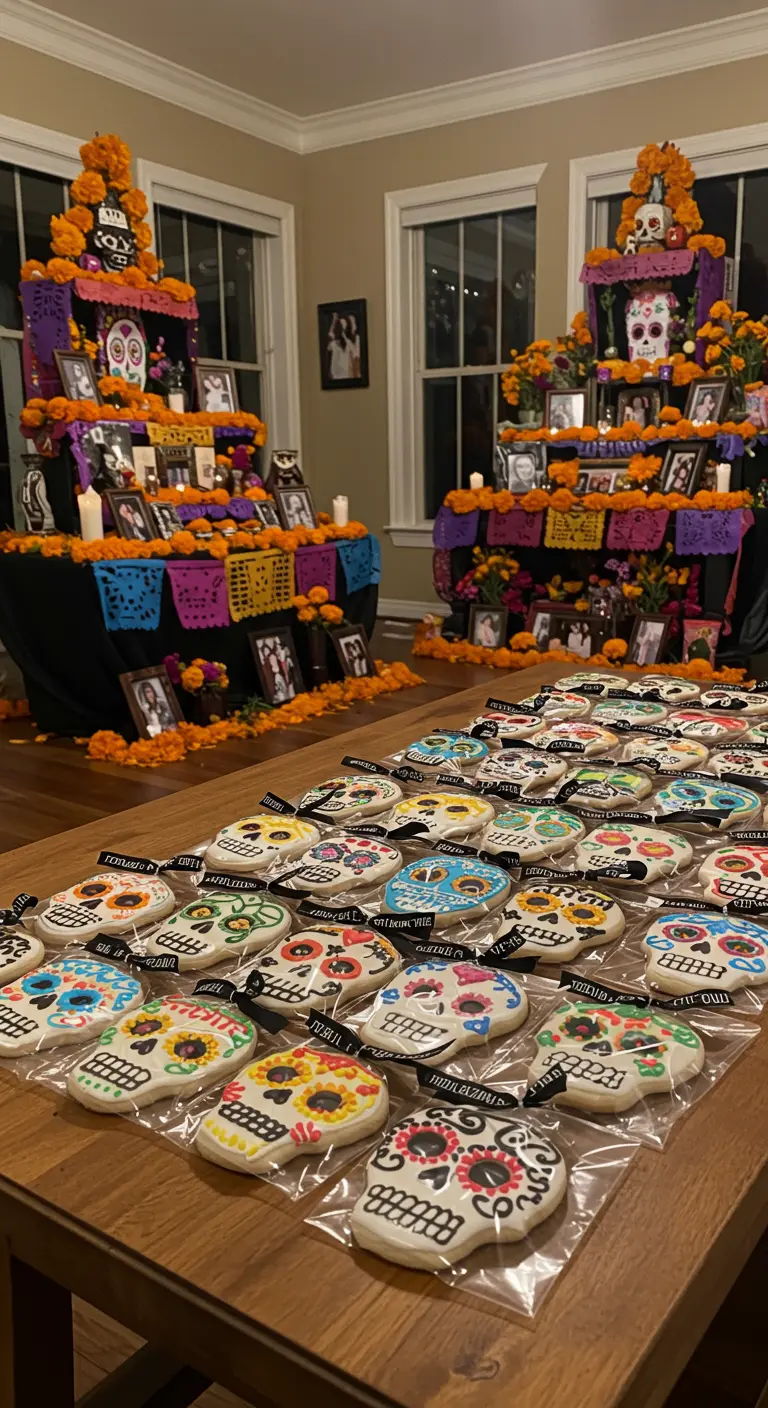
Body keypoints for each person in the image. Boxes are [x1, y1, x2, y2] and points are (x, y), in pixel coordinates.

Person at [328, 314, 351, 380]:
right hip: (336, 374)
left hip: (346, 374)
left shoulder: (348, 342)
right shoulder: (333, 343)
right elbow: (330, 335)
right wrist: (334, 320)